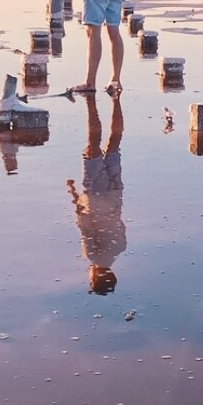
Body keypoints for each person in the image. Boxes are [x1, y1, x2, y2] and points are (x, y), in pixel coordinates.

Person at [66, 95, 126, 293]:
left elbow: (118, 222)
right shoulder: (92, 255)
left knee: (114, 144)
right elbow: (84, 223)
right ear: (96, 276)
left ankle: (116, 100)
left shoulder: (119, 248)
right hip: (96, 195)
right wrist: (73, 194)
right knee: (93, 145)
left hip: (116, 195)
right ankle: (90, 101)